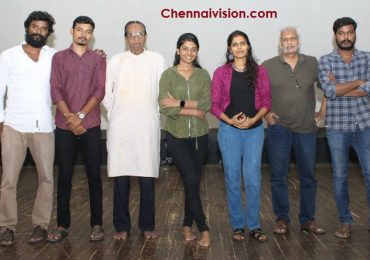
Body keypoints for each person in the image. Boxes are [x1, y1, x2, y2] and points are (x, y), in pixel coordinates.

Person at [103, 21, 166, 241]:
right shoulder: (116, 61)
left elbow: (162, 90)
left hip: (147, 125)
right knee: (121, 177)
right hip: (121, 127)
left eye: (139, 34)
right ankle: (121, 226)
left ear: (146, 36)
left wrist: (153, 113)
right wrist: (115, 114)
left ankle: (147, 225)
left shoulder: (157, 59)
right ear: (126, 38)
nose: (136, 38)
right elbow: (106, 94)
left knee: (147, 176)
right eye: (131, 34)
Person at [47, 16, 106, 242]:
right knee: (64, 177)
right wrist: (71, 118)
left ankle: (97, 224)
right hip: (64, 126)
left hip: (90, 126)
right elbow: (56, 90)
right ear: (71, 31)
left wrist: (80, 117)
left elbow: (99, 91)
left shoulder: (98, 59)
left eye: (88, 31)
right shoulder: (59, 58)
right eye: (79, 30)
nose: (83, 34)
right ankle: (62, 224)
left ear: (92, 34)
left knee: (94, 177)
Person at [262, 27, 326, 235]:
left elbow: (328, 87)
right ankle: (282, 219)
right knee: (278, 176)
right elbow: (260, 94)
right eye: (285, 39)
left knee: (308, 176)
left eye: (292, 38)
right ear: (280, 43)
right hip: (279, 129)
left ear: (298, 40)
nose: (289, 42)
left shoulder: (312, 63)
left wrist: (322, 110)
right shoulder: (268, 66)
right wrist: (267, 114)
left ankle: (308, 220)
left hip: (306, 129)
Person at [0, 11, 56, 247]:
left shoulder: (55, 57)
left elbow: (75, 70)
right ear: (27, 28)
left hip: (44, 126)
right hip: (13, 126)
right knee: (8, 181)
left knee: (46, 180)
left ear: (48, 33)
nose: (38, 31)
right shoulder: (8, 56)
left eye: (43, 28)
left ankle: (40, 225)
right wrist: (1, 123)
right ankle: (6, 227)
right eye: (35, 26)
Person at [211, 30, 271, 242]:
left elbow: (266, 102)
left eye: (242, 43)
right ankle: (238, 225)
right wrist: (231, 121)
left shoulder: (260, 71)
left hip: (254, 132)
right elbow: (215, 105)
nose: (239, 47)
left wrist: (253, 120)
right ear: (229, 49)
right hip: (229, 132)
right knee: (232, 179)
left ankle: (254, 225)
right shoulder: (220, 73)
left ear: (248, 46)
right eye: (234, 44)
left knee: (253, 179)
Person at [318, 17, 370, 239]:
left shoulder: (367, 59)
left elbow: (367, 90)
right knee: (340, 177)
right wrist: (358, 82)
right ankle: (345, 223)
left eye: (349, 32)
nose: (346, 37)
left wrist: (340, 88)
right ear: (335, 36)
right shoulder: (325, 61)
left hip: (365, 124)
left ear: (355, 34)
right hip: (337, 126)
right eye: (341, 33)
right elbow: (329, 92)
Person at [159, 33, 211, 247]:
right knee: (190, 181)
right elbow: (164, 106)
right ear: (178, 51)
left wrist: (178, 102)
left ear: (197, 52)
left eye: (193, 49)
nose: (189, 52)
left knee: (192, 183)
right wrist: (193, 109)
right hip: (177, 137)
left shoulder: (203, 74)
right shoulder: (168, 75)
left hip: (200, 138)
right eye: (185, 48)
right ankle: (205, 228)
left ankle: (187, 224)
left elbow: (206, 105)